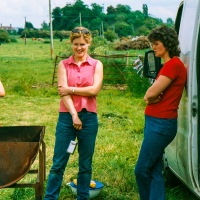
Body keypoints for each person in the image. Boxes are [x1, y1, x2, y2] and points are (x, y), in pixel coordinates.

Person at [44, 26, 103, 200]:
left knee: (85, 164)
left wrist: (70, 88)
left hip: (89, 118)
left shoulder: (96, 65)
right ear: (71, 43)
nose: (79, 48)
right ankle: (50, 197)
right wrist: (74, 115)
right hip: (67, 118)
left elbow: (94, 90)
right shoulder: (64, 65)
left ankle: (82, 197)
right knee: (58, 162)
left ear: (88, 43)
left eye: (83, 44)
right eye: (76, 44)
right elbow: (64, 94)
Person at [134, 25, 187, 200]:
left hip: (161, 124)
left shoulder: (173, 65)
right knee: (155, 169)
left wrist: (151, 97)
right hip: (156, 122)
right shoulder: (169, 65)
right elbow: (154, 95)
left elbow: (149, 94)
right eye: (152, 44)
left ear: (167, 43)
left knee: (141, 169)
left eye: (156, 43)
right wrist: (153, 97)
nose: (153, 47)